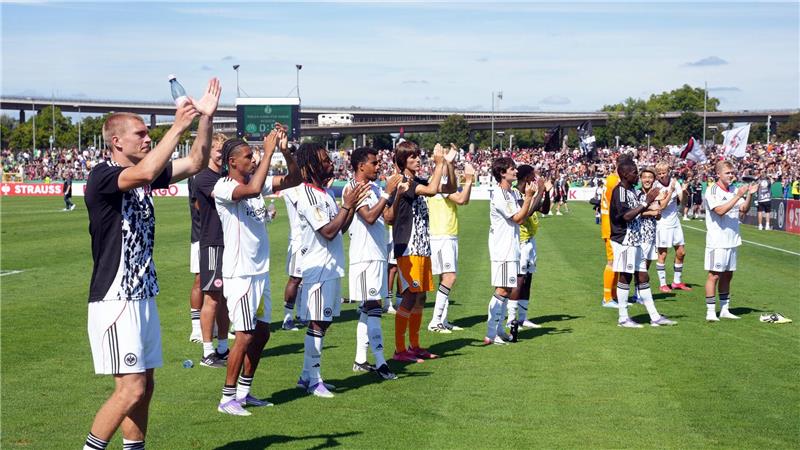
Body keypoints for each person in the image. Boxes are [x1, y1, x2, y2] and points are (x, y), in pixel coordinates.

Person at [82, 78, 219, 450]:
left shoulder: (145, 175)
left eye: (148, 134)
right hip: (115, 298)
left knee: (146, 387)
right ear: (117, 142)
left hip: (143, 295)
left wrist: (204, 118)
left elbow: (196, 161)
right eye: (140, 134)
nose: (146, 139)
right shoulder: (102, 176)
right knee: (131, 389)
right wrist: (178, 125)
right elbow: (141, 173)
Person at [213, 128, 301, 416]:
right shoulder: (224, 187)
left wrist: (285, 151)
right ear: (232, 162)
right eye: (248, 156)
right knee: (245, 335)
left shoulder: (255, 183)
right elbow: (250, 190)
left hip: (259, 274)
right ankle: (227, 399)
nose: (253, 160)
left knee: (262, 334)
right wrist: (268, 151)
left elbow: (293, 180)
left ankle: (244, 393)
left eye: (254, 156)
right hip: (240, 274)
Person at [294, 143, 370, 397]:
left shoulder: (324, 193)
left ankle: (307, 376)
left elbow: (340, 227)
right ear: (310, 165)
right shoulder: (307, 194)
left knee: (323, 322)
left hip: (332, 266)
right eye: (325, 160)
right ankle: (314, 380)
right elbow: (326, 232)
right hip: (317, 268)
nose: (330, 163)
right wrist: (347, 205)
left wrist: (350, 205)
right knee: (317, 323)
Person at [391, 141, 450, 361]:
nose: (418, 160)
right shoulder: (404, 182)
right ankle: (399, 350)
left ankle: (414, 345)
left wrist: (447, 166)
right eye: (413, 157)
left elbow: (450, 189)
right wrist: (439, 163)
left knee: (420, 297)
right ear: (402, 161)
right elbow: (433, 191)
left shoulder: (416, 181)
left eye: (418, 156)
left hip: (422, 248)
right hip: (408, 248)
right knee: (409, 296)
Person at [347, 147, 401, 380]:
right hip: (365, 256)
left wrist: (395, 193)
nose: (378, 166)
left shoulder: (376, 188)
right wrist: (387, 195)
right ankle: (380, 362)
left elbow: (387, 217)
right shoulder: (353, 188)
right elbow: (368, 217)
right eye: (374, 162)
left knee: (368, 309)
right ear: (361, 166)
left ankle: (360, 360)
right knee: (374, 308)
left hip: (377, 254)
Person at [609, 158, 676, 328]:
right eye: (634, 172)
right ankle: (623, 318)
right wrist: (647, 203)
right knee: (625, 276)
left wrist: (653, 209)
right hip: (624, 239)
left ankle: (654, 316)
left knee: (643, 275)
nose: (636, 175)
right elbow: (626, 216)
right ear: (624, 174)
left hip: (635, 239)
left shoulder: (631, 190)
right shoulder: (620, 191)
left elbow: (641, 209)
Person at [485, 157, 535, 345]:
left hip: (511, 247)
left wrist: (532, 195)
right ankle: (491, 333)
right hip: (503, 248)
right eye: (512, 169)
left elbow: (526, 212)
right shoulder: (500, 195)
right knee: (502, 289)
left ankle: (498, 330)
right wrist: (529, 197)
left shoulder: (511, 193)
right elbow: (519, 219)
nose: (516, 171)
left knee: (507, 289)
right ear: (502, 173)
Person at [194, 132, 231, 368]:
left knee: (225, 299)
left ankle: (223, 348)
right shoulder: (204, 178)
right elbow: (225, 194)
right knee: (212, 298)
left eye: (223, 149)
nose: (221, 153)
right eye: (218, 149)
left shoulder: (227, 176)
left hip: (229, 243)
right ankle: (207, 352)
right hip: (213, 243)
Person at [703, 161, 757, 322]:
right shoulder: (712, 190)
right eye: (728, 172)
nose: (731, 175)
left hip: (732, 239)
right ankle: (711, 311)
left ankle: (725, 309)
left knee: (728, 275)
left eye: (732, 172)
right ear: (718, 174)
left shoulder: (734, 189)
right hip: (717, 241)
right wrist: (739, 195)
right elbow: (719, 211)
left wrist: (750, 195)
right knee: (714, 275)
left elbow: (744, 210)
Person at [426, 149, 468, 334]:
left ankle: (442, 319)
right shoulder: (440, 184)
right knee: (450, 277)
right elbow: (461, 199)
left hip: (446, 234)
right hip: (441, 235)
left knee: (445, 277)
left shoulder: (441, 182)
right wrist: (469, 181)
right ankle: (435, 321)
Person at [506, 165, 550, 331]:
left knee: (528, 280)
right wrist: (538, 192)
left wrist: (545, 193)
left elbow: (544, 209)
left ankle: (523, 319)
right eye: (533, 175)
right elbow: (526, 214)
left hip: (531, 241)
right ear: (525, 177)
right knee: (519, 280)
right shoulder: (517, 194)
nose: (535, 178)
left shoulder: (527, 194)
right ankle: (511, 319)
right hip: (520, 242)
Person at [653, 162, 691, 293]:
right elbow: (662, 206)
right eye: (659, 173)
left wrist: (685, 193)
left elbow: (683, 202)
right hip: (662, 223)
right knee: (663, 254)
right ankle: (662, 284)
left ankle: (677, 282)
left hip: (675, 222)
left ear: (668, 171)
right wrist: (671, 191)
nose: (662, 175)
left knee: (681, 252)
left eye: (664, 172)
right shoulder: (656, 186)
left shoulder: (675, 182)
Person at [281, 182, 304, 331]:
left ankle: (302, 314)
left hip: (309, 239)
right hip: (298, 240)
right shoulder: (292, 186)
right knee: (295, 278)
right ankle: (287, 318)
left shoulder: (304, 185)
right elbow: (303, 206)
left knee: (305, 279)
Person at [599, 160, 622, 308]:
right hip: (610, 227)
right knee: (612, 261)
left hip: (611, 226)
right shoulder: (613, 181)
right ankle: (607, 297)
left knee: (617, 262)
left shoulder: (613, 179)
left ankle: (613, 296)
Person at [187, 174, 203, 343]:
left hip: (220, 236)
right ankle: (196, 328)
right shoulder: (197, 175)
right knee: (200, 279)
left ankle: (213, 327)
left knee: (219, 283)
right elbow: (197, 203)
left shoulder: (221, 172)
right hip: (201, 235)